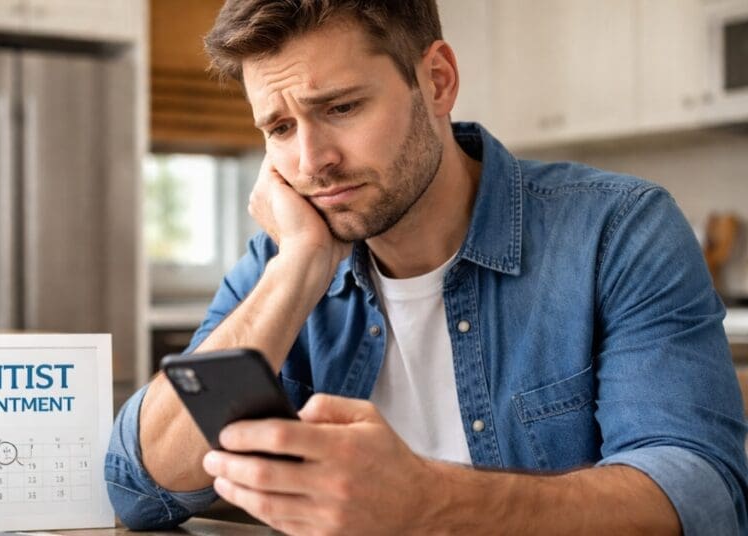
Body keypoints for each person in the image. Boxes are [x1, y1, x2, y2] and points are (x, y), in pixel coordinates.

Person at [106, 1, 748, 533]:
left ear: (437, 81)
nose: (311, 161)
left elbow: (702, 494)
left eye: (341, 107)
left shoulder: (617, 230)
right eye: (278, 127)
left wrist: (428, 500)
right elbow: (138, 487)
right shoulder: (283, 258)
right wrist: (298, 269)